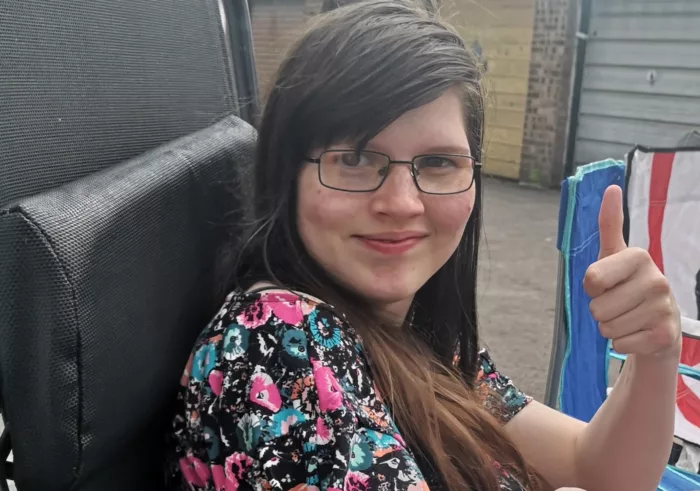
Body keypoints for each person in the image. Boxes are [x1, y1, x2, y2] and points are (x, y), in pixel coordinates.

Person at [167, 1, 681, 489]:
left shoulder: (423, 334)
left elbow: (593, 466)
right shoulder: (279, 342)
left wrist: (656, 353)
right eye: (354, 159)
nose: (402, 203)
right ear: (287, 173)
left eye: (437, 163)